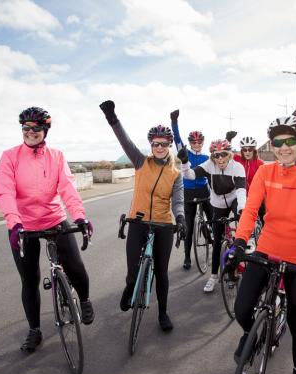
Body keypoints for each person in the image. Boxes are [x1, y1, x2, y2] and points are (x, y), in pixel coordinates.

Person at [226, 115, 296, 374]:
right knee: (242, 308)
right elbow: (250, 212)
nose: (283, 147)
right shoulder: (265, 172)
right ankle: (252, 334)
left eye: (290, 141)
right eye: (277, 142)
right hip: (266, 248)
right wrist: (238, 243)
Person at [0, 106, 95, 353]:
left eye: (36, 128)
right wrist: (13, 222)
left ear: (45, 130)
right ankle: (34, 330)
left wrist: (79, 217)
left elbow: (68, 189)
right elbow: (4, 191)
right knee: (29, 280)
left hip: (54, 219)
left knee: (75, 267)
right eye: (25, 128)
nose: (30, 132)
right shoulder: (10, 156)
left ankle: (83, 299)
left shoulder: (57, 156)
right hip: (23, 224)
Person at [99, 100, 185, 332]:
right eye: (156, 144)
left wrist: (181, 218)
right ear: (151, 144)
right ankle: (130, 287)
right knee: (132, 272)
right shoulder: (140, 161)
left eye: (164, 144)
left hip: (164, 224)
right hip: (138, 221)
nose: (159, 147)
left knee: (162, 273)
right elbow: (124, 140)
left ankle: (163, 313)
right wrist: (112, 118)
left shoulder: (175, 173)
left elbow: (178, 200)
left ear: (169, 145)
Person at [177, 139, 246, 293]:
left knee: (242, 228)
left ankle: (241, 258)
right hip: (218, 203)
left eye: (223, 154)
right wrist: (184, 161)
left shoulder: (237, 167)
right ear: (212, 156)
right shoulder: (209, 164)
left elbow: (241, 190)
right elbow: (190, 175)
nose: (220, 158)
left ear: (229, 155)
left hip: (234, 199)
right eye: (216, 155)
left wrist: (241, 209)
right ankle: (214, 276)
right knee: (217, 242)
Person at [170, 110, 213, 270]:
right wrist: (174, 122)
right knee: (187, 227)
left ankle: (212, 234)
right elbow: (177, 139)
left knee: (213, 218)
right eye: (193, 142)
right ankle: (187, 257)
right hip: (188, 193)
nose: (196, 144)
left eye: (199, 142)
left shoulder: (207, 158)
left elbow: (211, 177)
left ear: (202, 143)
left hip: (204, 192)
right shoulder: (185, 153)